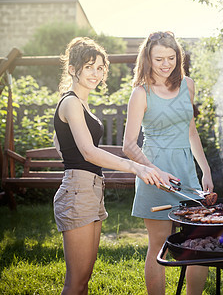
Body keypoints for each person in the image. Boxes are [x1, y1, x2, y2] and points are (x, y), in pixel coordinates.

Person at [53, 37, 175, 295]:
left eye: (100, 68)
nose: (96, 73)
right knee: (75, 282)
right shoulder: (71, 102)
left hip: (89, 189)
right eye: (89, 67)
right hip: (78, 190)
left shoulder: (81, 103)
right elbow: (87, 151)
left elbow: (59, 142)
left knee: (84, 279)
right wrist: (136, 167)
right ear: (73, 69)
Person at [123, 31, 214, 295]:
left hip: (187, 174)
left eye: (171, 57)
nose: (166, 64)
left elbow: (191, 131)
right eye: (159, 58)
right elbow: (128, 145)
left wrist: (205, 169)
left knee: (198, 241)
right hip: (154, 175)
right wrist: (154, 171)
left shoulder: (188, 85)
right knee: (159, 244)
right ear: (147, 59)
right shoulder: (140, 93)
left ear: (179, 57)